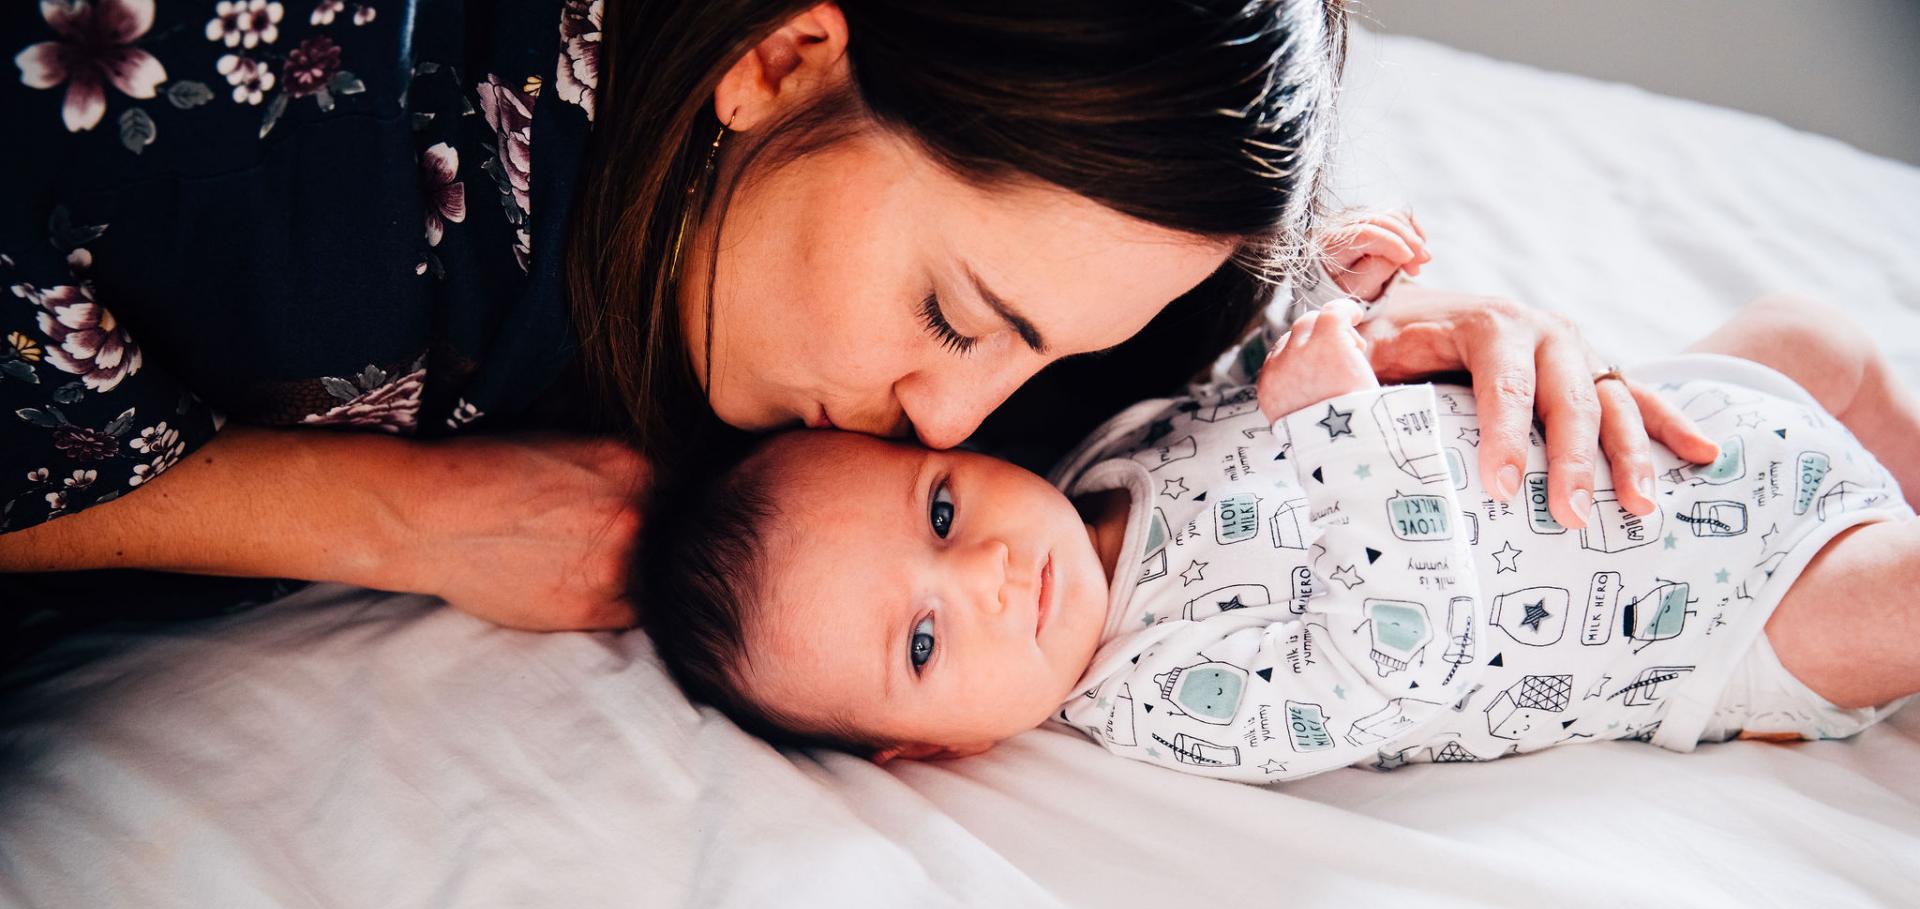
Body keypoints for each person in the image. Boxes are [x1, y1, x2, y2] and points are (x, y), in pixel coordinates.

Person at [1, 0, 1717, 642]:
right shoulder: (256, 117)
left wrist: (1418, 334)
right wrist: (387, 518)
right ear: (780, 58)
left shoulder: (1051, 282)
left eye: (1039, 349)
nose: (954, 425)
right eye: (955, 311)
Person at [640, 292, 1920, 778]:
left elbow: (1249, 395)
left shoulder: (1100, 453)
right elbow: (1392, 663)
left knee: (1818, 345)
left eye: (938, 512)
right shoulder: (1158, 698)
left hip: (1640, 436)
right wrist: (1347, 432)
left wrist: (1338, 310)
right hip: (1715, 619)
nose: (983, 574)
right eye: (921, 639)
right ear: (926, 744)